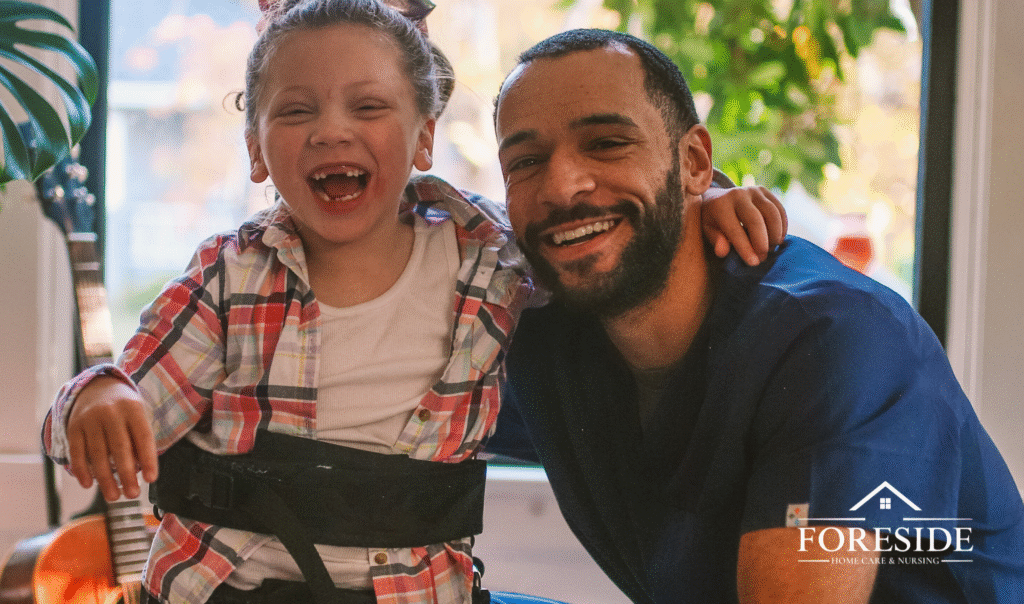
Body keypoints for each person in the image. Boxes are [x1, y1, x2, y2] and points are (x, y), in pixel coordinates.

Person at [40, 3, 786, 603]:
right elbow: (104, 415)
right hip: (227, 588)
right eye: (296, 112)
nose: (332, 129)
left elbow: (590, 233)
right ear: (257, 150)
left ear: (424, 137)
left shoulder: (488, 256)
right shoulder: (227, 277)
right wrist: (95, 399)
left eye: (368, 106)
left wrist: (705, 202)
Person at [486, 28, 1024, 604]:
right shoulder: (552, 328)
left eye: (608, 143)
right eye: (527, 160)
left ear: (694, 161)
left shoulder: (832, 337)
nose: (562, 186)